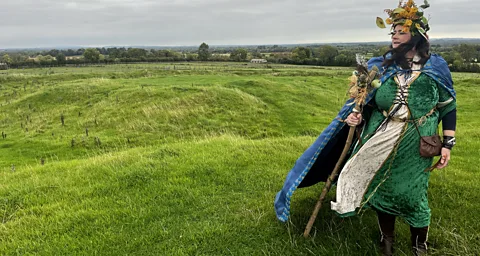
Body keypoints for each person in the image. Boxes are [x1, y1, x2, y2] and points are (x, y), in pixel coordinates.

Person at [274, 1, 457, 255]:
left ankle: (419, 244)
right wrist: (355, 117)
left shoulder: (435, 67)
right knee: (381, 187)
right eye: (392, 31)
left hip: (416, 142)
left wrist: (448, 143)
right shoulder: (380, 66)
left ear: (416, 36)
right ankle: (387, 240)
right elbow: (363, 104)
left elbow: (448, 107)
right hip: (379, 136)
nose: (394, 35)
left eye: (400, 31)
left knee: (412, 193)